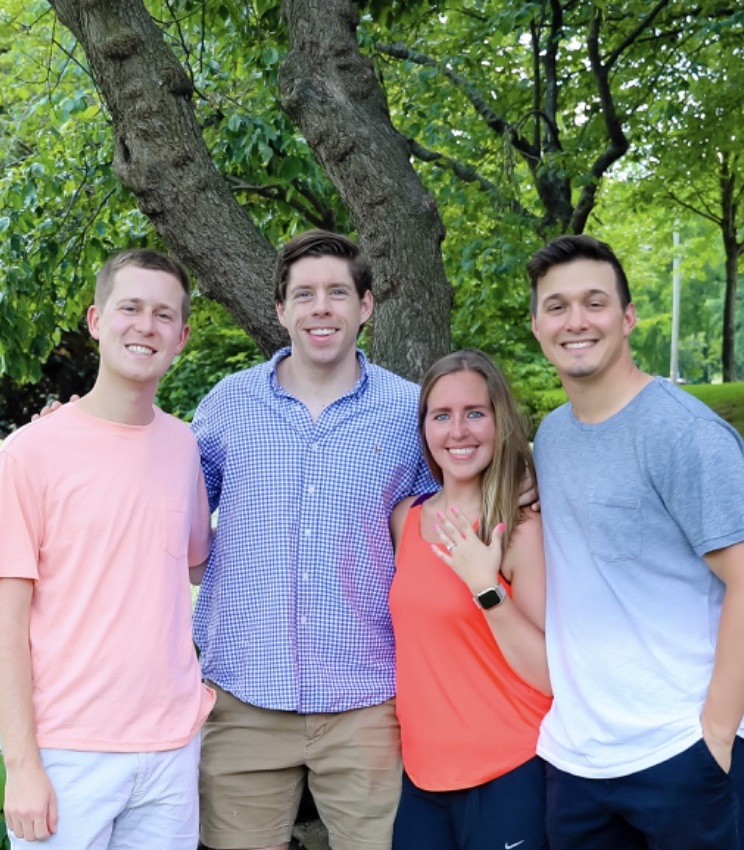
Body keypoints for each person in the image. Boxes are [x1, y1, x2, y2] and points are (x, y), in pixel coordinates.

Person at [190, 230, 438, 850]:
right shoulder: (229, 404)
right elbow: (162, 504)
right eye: (304, 294)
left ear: (366, 306)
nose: (320, 307)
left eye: (336, 292)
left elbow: (448, 525)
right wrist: (77, 428)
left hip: (366, 702)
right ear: (281, 310)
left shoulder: (410, 413)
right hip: (243, 698)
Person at [528, 233, 744, 850]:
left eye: (594, 303)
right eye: (557, 305)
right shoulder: (552, 436)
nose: (576, 321)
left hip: (680, 749)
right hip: (577, 759)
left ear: (627, 318)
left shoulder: (685, 435)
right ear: (536, 324)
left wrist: (718, 735)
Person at [0, 249, 214, 849]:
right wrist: (21, 765)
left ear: (182, 335)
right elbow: (6, 623)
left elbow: (199, 559)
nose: (146, 326)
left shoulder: (183, 447)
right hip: (69, 751)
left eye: (164, 314)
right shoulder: (28, 454)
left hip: (171, 747)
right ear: (97, 320)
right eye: (130, 307)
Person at [389, 349, 551, 850]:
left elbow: (549, 672)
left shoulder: (520, 527)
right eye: (442, 415)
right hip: (422, 776)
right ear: (425, 429)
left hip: (509, 769)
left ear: (499, 422)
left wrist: (487, 590)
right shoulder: (406, 520)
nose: (458, 430)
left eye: (474, 413)